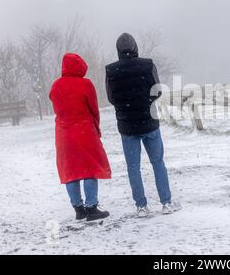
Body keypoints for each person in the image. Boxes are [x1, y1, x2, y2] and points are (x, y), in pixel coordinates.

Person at [105, 33, 178, 218]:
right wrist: (146, 102)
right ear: (135, 47)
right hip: (149, 122)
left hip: (127, 126)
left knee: (133, 167)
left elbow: (111, 97)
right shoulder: (147, 65)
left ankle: (141, 206)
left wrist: (125, 106)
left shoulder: (111, 71)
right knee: (158, 162)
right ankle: (166, 202)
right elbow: (157, 90)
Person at [50, 53, 111, 221]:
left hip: (63, 134)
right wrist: (96, 128)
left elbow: (57, 107)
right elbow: (93, 109)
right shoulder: (85, 84)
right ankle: (92, 208)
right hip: (84, 132)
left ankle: (78, 208)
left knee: (71, 171)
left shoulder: (55, 86)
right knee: (89, 168)